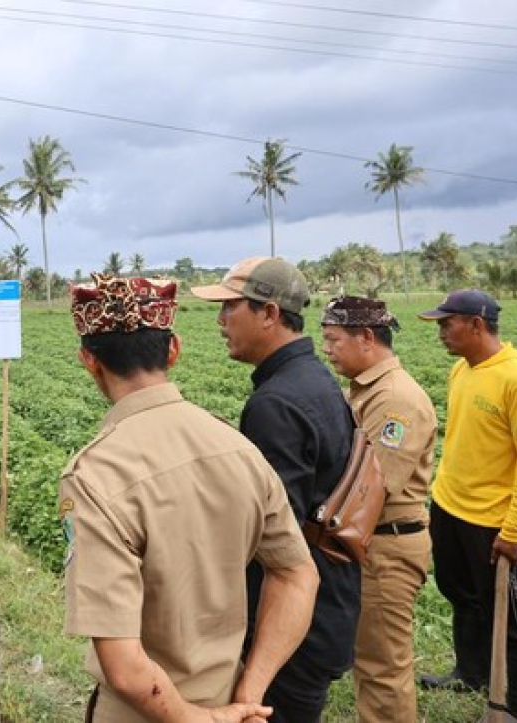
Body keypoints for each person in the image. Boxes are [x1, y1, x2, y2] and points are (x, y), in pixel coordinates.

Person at [60, 274, 319, 723]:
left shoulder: (97, 474)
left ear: (89, 361)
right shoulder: (238, 448)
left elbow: (124, 667)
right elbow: (297, 575)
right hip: (231, 702)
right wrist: (249, 694)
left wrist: (194, 718)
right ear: (174, 350)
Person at [192, 257, 359, 723]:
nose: (221, 321)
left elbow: (269, 535)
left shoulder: (277, 403)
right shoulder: (313, 380)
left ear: (268, 314)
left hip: (293, 626)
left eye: (230, 307)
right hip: (328, 606)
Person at [417, 289, 517, 722]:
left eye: (446, 323)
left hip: (494, 522)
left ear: (476, 325)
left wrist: (515, 531)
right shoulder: (463, 369)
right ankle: (470, 672)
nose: (440, 332)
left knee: (516, 618)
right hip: (450, 508)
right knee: (460, 595)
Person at [319, 296, 437, 723]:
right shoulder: (370, 390)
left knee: (383, 668)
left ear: (366, 338)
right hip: (372, 545)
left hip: (386, 547)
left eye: (333, 340)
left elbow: (372, 488)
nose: (327, 349)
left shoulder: (395, 401)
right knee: (370, 658)